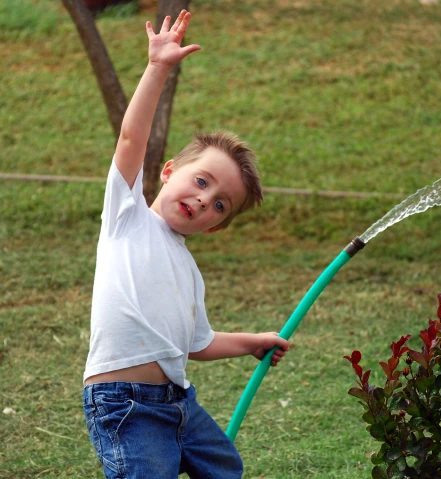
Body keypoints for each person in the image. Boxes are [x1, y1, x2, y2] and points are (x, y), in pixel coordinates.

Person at [82, 10, 290, 479]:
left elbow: (196, 343)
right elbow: (131, 137)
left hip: (178, 404)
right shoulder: (127, 216)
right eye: (201, 181)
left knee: (225, 467)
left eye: (220, 205)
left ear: (215, 228)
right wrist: (157, 69)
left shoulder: (188, 272)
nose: (204, 199)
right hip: (125, 405)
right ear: (169, 170)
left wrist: (252, 343)